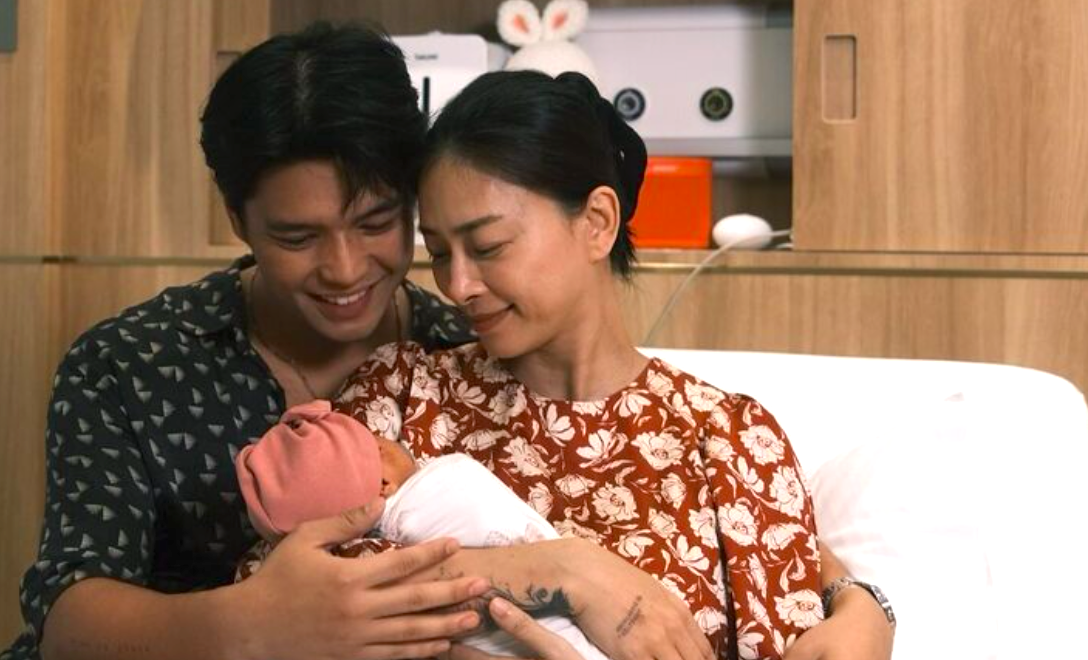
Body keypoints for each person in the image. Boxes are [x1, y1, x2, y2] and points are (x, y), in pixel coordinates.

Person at [330, 69, 895, 660]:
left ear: (597, 222)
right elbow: (316, 590)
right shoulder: (401, 393)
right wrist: (565, 571)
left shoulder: (728, 441)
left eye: (488, 246)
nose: (457, 284)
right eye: (441, 253)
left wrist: (865, 604)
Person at [2, 22, 489, 660]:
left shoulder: (470, 353)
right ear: (238, 219)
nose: (344, 269)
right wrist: (251, 625)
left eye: (376, 223)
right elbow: (66, 621)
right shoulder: (129, 363)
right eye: (297, 238)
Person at [233, 399, 609, 660]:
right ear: (383, 485)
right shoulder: (434, 488)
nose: (394, 440)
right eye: (379, 444)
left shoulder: (331, 567)